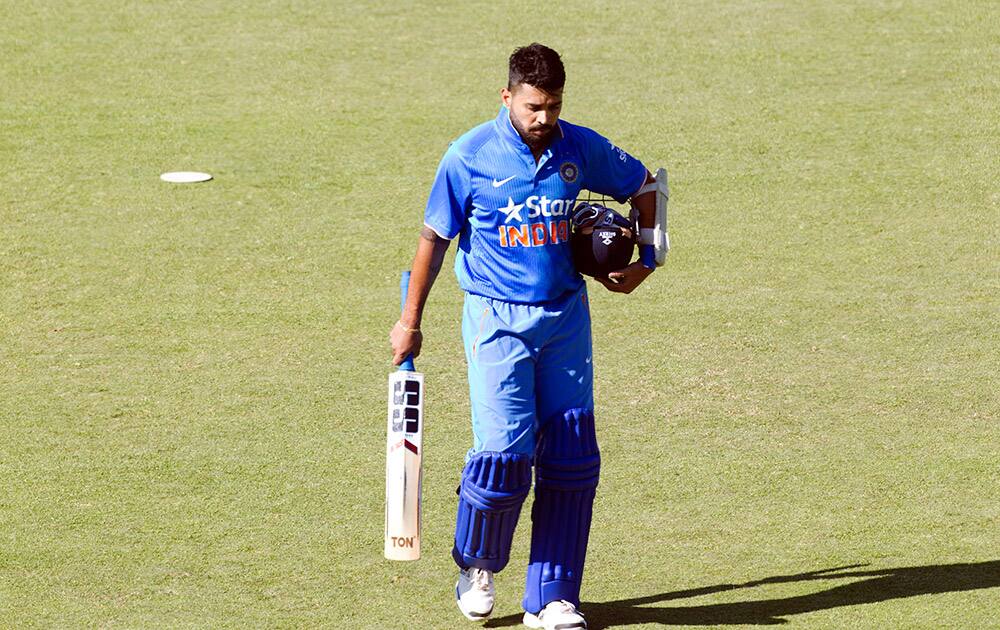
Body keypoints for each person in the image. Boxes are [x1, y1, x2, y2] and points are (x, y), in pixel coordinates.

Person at [389, 43, 661, 630]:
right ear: (507, 96)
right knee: (504, 457)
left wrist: (647, 259)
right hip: (496, 320)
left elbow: (646, 186)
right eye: (533, 106)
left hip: (565, 320)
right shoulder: (468, 156)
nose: (544, 119)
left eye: (553, 107)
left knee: (571, 458)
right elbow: (434, 240)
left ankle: (554, 597)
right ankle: (477, 564)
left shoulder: (578, 146)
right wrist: (410, 321)